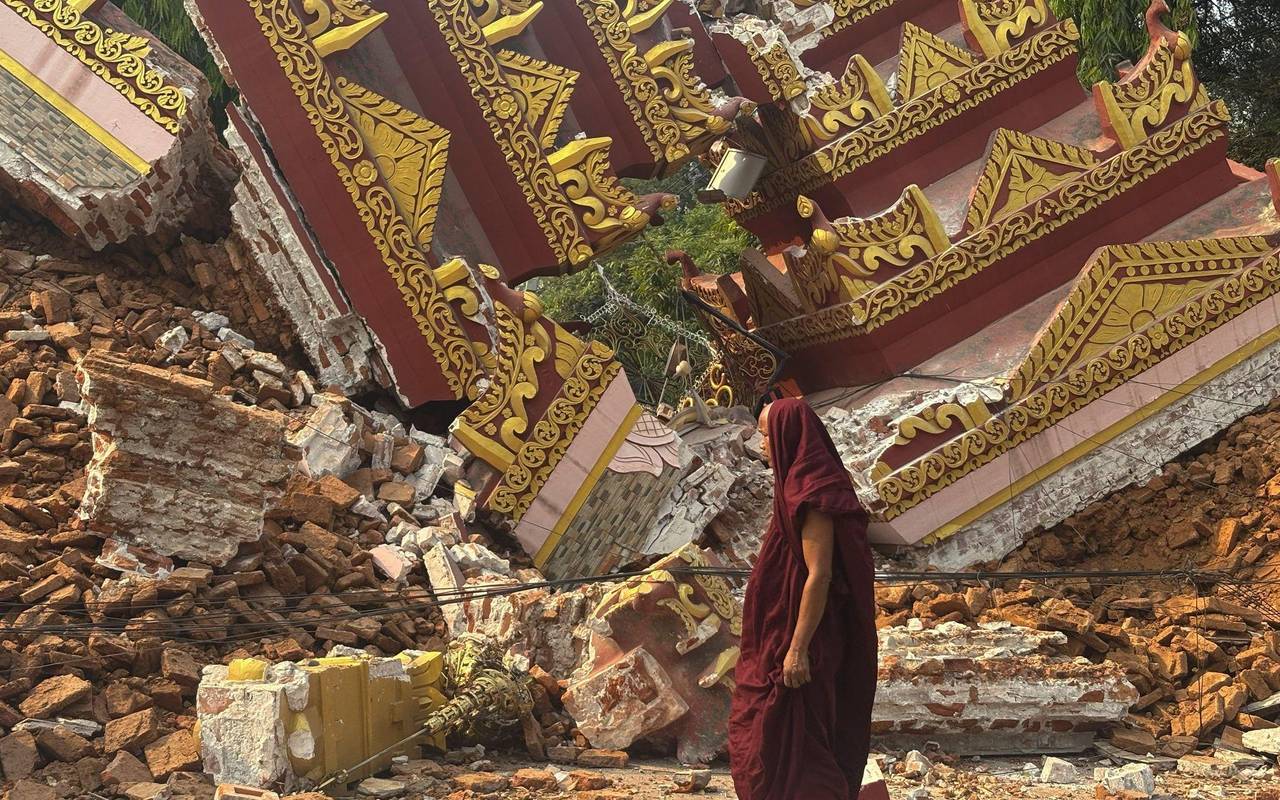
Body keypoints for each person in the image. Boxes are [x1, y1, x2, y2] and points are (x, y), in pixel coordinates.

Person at [728, 398, 878, 800]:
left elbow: (820, 573)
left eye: (764, 434)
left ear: (785, 436)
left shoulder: (814, 493)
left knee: (797, 741)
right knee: (764, 734)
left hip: (803, 637)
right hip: (777, 630)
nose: (760, 443)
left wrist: (797, 649)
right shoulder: (792, 483)